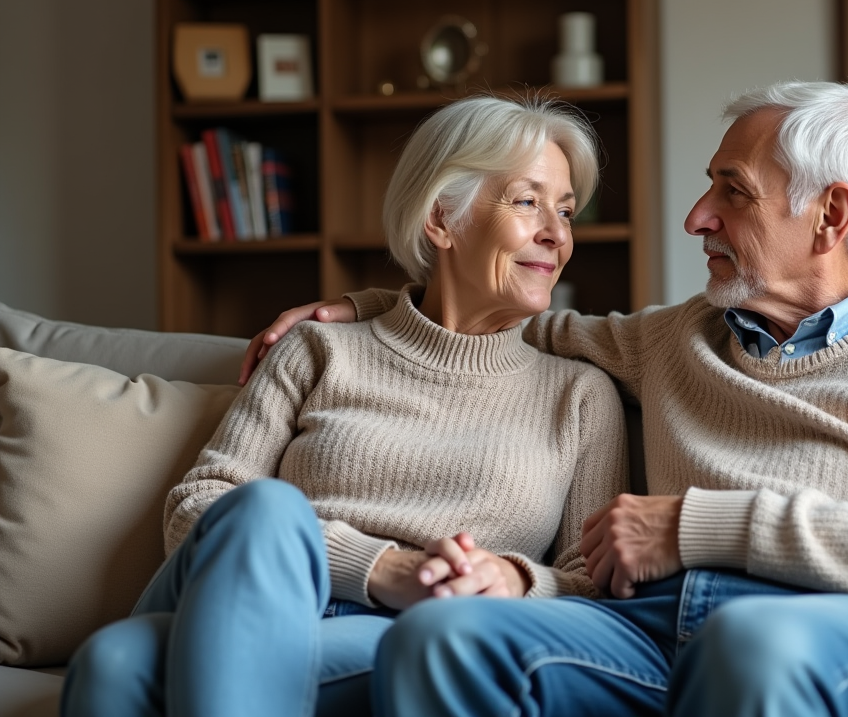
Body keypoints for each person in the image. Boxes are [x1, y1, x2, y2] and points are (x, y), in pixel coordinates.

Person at [244, 80, 848, 717]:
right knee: (447, 636)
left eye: (733, 192)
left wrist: (691, 525)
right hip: (656, 627)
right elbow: (498, 314)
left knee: (753, 647)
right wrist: (362, 307)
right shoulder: (676, 337)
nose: (698, 218)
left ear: (831, 215)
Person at [60, 95, 628, 717]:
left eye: (566, 211)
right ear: (441, 219)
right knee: (266, 508)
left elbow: (589, 583)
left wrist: (515, 580)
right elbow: (197, 507)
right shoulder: (317, 349)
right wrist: (381, 566)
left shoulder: (579, 395)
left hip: (409, 630)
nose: (558, 233)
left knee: (113, 663)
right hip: (252, 592)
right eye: (527, 201)